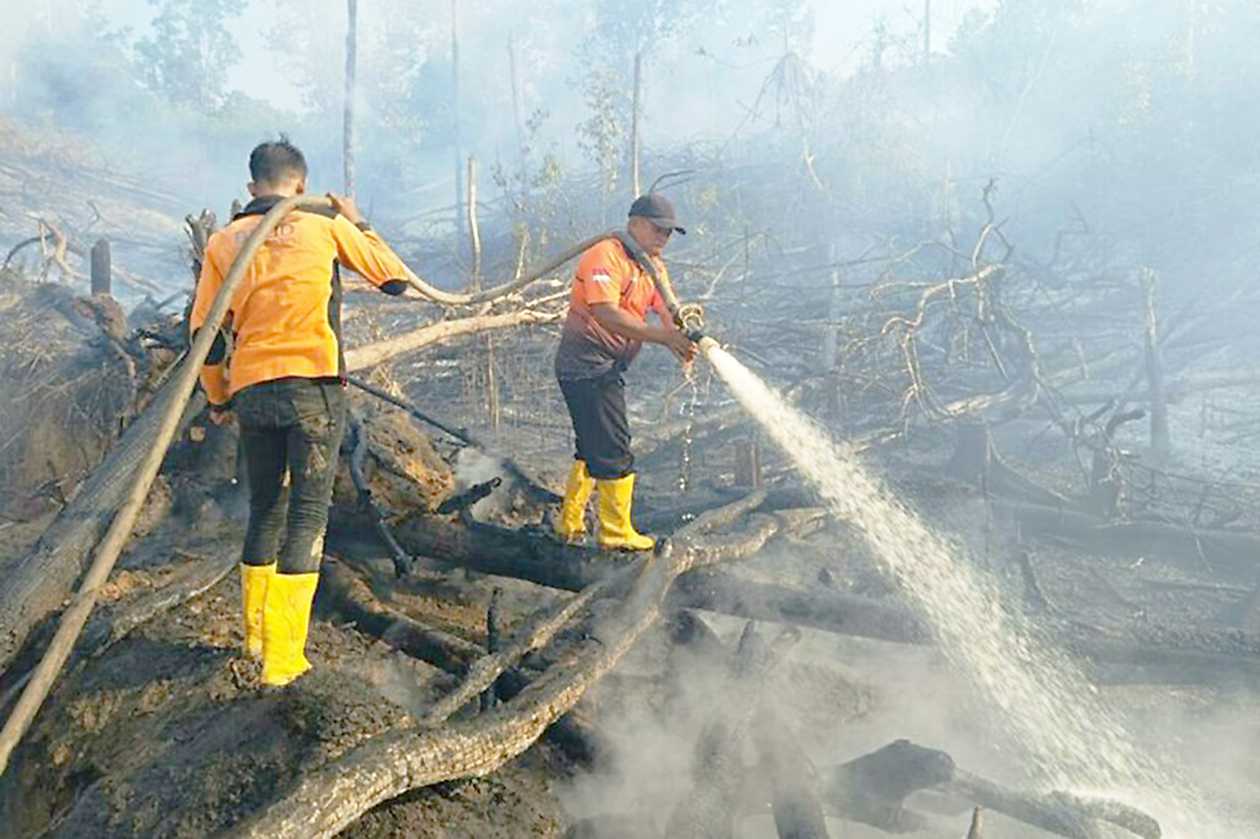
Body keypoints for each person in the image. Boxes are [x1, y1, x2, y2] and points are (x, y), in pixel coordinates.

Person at [190, 138, 412, 686]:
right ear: (302, 186)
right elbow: (395, 279)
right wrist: (359, 224)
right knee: (308, 516)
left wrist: (218, 398)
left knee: (265, 507)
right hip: (312, 387)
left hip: (253, 391)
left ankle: (254, 637)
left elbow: (206, 338)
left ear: (251, 188)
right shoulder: (323, 226)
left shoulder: (225, 241)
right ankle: (284, 660)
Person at [553, 193, 697, 551]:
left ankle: (570, 524)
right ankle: (615, 535)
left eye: (669, 232)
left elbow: (668, 309)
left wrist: (685, 332)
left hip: (605, 365)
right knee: (614, 449)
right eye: (658, 229)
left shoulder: (652, 267)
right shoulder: (606, 255)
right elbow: (605, 312)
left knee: (590, 446)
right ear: (635, 224)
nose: (664, 238)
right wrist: (663, 337)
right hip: (585, 364)